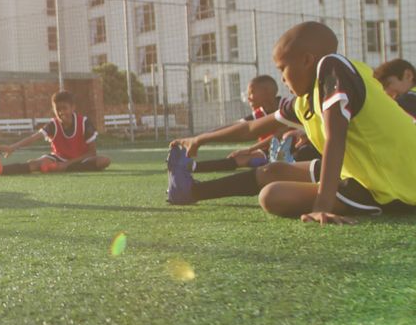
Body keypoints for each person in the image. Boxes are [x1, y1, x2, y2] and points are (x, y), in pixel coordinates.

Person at [167, 21, 416, 224]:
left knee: (272, 196)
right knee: (273, 170)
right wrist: (200, 138)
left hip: (398, 181)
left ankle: (351, 200)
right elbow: (251, 127)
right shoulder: (305, 100)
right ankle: (191, 192)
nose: (283, 79)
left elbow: (335, 138)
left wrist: (322, 206)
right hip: (365, 171)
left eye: (282, 68)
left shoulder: (333, 67)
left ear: (308, 61)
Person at [0, 91, 110, 176]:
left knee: (104, 161)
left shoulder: (84, 122)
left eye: (64, 108)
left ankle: (61, 168)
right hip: (58, 157)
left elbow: (92, 152)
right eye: (58, 109)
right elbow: (34, 137)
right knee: (35, 163)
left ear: (73, 108)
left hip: (79, 160)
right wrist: (12, 147)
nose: (61, 112)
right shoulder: (53, 124)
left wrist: (66, 164)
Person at [184, 76, 282, 173]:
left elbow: (278, 136)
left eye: (252, 93)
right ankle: (192, 167)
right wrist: (201, 138)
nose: (249, 98)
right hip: (268, 150)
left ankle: (264, 161)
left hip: (290, 151)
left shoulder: (285, 108)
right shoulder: (260, 113)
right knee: (241, 157)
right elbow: (235, 126)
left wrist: (251, 149)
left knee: (250, 158)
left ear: (267, 92)